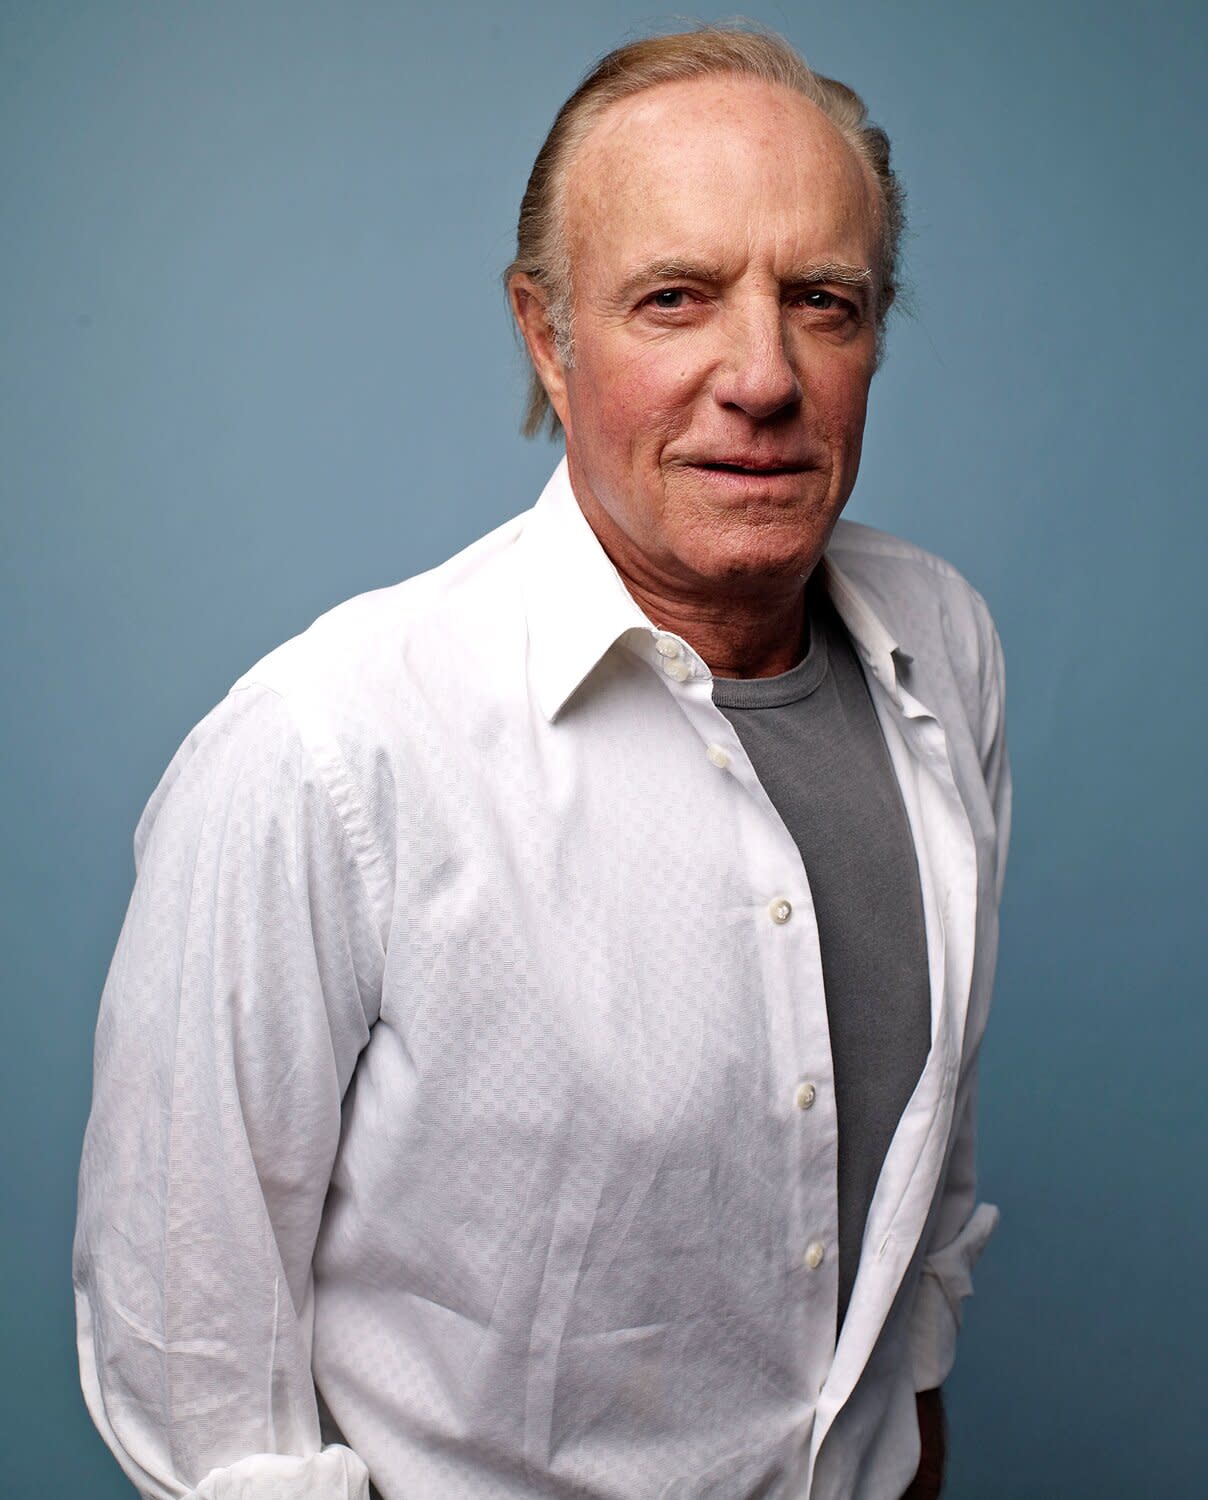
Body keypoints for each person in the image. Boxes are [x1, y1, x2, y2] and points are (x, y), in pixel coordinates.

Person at [74, 25, 1009, 1500]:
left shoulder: (943, 650)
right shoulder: (324, 752)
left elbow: (921, 1179)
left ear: (874, 333)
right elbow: (196, 1396)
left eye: (820, 300)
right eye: (674, 298)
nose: (760, 375)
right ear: (547, 334)